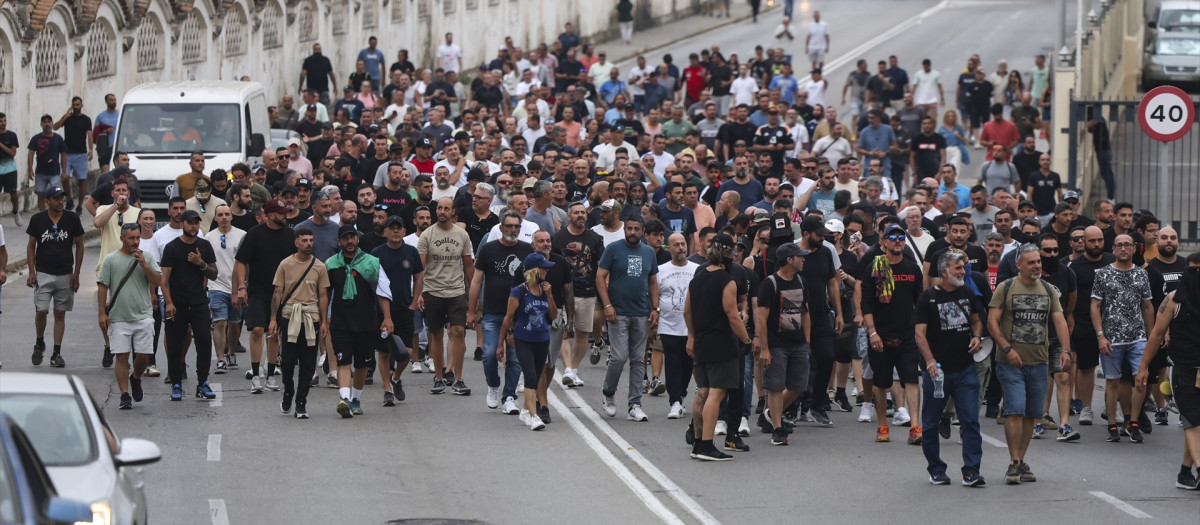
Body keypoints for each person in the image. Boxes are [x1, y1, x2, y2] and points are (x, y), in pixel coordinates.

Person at [988, 243, 1072, 484]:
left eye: (1039, 261)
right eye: (1032, 262)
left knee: (1031, 414)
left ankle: (1021, 460)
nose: (1037, 265)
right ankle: (1013, 462)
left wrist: (1065, 350)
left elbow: (1060, 322)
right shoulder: (1006, 288)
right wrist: (1006, 347)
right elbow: (992, 321)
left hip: (1040, 361)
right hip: (1010, 362)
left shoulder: (1048, 290)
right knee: (1015, 408)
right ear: (1019, 265)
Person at [915, 250, 987, 486]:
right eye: (958, 268)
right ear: (945, 271)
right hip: (938, 372)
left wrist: (977, 336)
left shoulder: (967, 292)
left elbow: (977, 320)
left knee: (970, 421)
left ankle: (971, 470)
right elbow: (919, 334)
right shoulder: (927, 298)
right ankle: (936, 469)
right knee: (931, 422)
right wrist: (930, 361)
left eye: (963, 267)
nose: (963, 271)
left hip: (965, 370)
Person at [1136, 251, 1200, 490]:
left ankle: (1185, 473)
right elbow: (1156, 334)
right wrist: (1143, 367)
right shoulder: (1173, 299)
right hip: (1183, 368)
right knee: (1192, 421)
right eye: (1192, 271)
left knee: (1197, 422)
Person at [684, 233, 750, 460]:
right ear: (730, 252)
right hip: (722, 343)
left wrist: (692, 336)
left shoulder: (698, 277)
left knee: (702, 391)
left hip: (701, 342)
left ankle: (697, 441)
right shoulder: (727, 280)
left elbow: (687, 311)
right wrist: (746, 340)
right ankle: (706, 445)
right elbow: (733, 316)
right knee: (716, 393)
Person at [861, 224, 925, 444]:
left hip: (907, 335)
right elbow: (866, 304)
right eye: (893, 237)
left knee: (911, 380)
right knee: (881, 383)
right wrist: (872, 333)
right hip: (880, 335)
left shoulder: (912, 268)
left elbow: (920, 303)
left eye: (901, 237)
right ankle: (882, 426)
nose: (898, 240)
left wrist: (920, 331)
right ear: (884, 242)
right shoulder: (874, 267)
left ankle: (915, 426)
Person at [1091, 234, 1155, 443]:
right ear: (1114, 248)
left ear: (1135, 248)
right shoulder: (1103, 273)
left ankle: (1133, 422)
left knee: (1141, 378)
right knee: (1112, 381)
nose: (1124, 249)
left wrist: (1151, 334)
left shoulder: (1141, 274)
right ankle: (1111, 424)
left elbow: (1147, 306)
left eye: (1128, 245)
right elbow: (1095, 306)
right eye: (1120, 245)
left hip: (1138, 337)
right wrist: (1100, 336)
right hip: (1112, 338)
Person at [596, 216, 660, 422]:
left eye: (636, 229)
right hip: (618, 312)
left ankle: (635, 404)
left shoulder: (649, 252)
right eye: (629, 228)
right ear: (625, 230)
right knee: (619, 356)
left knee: (639, 359)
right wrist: (607, 305)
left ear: (643, 232)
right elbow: (600, 276)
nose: (632, 232)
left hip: (641, 312)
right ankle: (608, 393)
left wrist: (655, 308)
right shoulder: (614, 249)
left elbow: (652, 282)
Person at [326, 224, 394, 417]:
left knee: (362, 364)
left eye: (352, 237)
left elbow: (383, 291)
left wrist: (387, 318)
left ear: (357, 239)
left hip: (366, 321)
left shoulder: (371, 262)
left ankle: (356, 398)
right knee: (343, 362)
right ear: (339, 242)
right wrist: (324, 319)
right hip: (340, 321)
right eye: (345, 238)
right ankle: (344, 399)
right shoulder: (331, 264)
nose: (349, 241)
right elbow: (324, 294)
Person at [470, 211, 534, 413]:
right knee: (489, 355)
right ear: (501, 227)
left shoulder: (527, 250)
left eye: (517, 226)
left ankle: (509, 397)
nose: (513, 230)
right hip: (493, 313)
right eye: (509, 226)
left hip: (519, 316)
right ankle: (493, 385)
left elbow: (533, 281)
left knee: (515, 358)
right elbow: (476, 281)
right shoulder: (489, 249)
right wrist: (471, 310)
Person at [234, 199, 297, 393]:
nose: (285, 215)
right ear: (270, 215)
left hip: (282, 293)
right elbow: (241, 261)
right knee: (257, 331)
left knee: (274, 333)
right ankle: (255, 375)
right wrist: (241, 287)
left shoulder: (290, 235)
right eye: (280, 212)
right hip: (258, 291)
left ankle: (270, 375)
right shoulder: (255, 234)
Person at [98, 223, 163, 410]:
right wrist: (102, 312)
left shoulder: (147, 257)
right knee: (121, 356)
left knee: (143, 356)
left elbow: (158, 281)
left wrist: (144, 264)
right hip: (119, 317)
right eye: (131, 238)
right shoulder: (111, 260)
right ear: (122, 238)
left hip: (143, 315)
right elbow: (103, 286)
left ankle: (135, 378)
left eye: (137, 238)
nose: (135, 242)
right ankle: (124, 395)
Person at [268, 228, 330, 419]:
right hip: (289, 317)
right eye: (304, 240)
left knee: (308, 362)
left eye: (311, 240)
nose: (308, 244)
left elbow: (323, 295)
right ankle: (288, 391)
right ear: (296, 243)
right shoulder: (285, 264)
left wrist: (324, 321)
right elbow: (278, 293)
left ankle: (301, 402)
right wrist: (273, 319)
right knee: (287, 361)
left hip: (311, 317)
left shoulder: (319, 266)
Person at [755, 242, 812, 446]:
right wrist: (765, 348)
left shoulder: (801, 281)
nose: (803, 259)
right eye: (800, 256)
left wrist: (807, 341)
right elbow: (761, 318)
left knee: (798, 386)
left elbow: (805, 313)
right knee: (776, 386)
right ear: (789, 260)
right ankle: (778, 429)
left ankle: (770, 414)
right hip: (777, 344)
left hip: (798, 343)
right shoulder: (770, 284)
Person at [418, 197, 475, 394]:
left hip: (456, 291)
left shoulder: (462, 235)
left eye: (446, 208)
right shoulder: (427, 235)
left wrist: (473, 297)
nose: (442, 211)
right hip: (433, 290)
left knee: (458, 332)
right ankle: (439, 377)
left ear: (453, 212)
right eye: (439, 208)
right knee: (436, 334)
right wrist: (419, 294)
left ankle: (458, 378)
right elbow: (421, 268)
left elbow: (468, 266)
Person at [160, 210, 219, 402]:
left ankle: (203, 382)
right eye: (190, 223)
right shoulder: (171, 248)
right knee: (175, 343)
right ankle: (176, 383)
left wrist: (200, 262)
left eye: (196, 223)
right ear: (182, 224)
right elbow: (164, 279)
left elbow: (213, 274)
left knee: (203, 341)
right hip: (177, 303)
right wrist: (168, 302)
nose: (194, 226)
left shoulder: (204, 245)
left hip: (199, 302)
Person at [497, 252, 559, 431]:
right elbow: (508, 318)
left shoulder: (545, 289)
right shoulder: (519, 291)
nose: (547, 271)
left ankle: (525, 410)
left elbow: (553, 316)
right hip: (523, 339)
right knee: (530, 376)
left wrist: (550, 295)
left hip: (542, 340)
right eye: (544, 268)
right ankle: (533, 416)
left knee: (537, 375)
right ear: (534, 270)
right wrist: (501, 343)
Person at [25, 185, 84, 368]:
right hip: (43, 272)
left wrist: (77, 273)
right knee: (41, 310)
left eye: (62, 198)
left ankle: (56, 353)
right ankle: (40, 341)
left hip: (65, 273)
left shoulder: (72, 218)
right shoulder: (37, 219)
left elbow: (80, 245)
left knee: (60, 313)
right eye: (57, 199)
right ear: (47, 201)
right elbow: (30, 246)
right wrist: (32, 272)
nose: (60, 202)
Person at [554, 201, 606, 387]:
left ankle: (573, 369)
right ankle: (567, 369)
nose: (580, 215)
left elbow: (601, 266)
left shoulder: (595, 238)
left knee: (583, 334)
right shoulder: (558, 237)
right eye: (576, 212)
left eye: (583, 212)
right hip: (563, 293)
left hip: (587, 292)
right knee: (563, 333)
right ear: (569, 216)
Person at [658, 233, 700, 419]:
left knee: (687, 363)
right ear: (669, 248)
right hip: (668, 325)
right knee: (673, 363)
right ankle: (675, 400)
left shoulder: (697, 269)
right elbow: (655, 295)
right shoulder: (661, 270)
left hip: (691, 327)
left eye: (683, 244)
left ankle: (681, 394)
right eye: (676, 245)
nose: (681, 248)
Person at [208, 205, 246, 374]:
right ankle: (220, 359)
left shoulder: (242, 235)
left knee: (234, 323)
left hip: (236, 286)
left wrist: (242, 286)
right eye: (220, 215)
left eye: (226, 214)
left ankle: (231, 352)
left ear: (231, 217)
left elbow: (245, 263)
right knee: (220, 321)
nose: (224, 217)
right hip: (216, 285)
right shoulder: (209, 238)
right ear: (215, 218)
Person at [53, 97, 93, 214]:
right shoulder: (67, 118)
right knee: (64, 177)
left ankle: (80, 205)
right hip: (67, 154)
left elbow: (89, 135)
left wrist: (91, 150)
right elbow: (55, 127)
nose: (75, 107)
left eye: (77, 105)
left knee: (82, 181)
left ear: (81, 105)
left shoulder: (86, 120)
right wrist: (65, 116)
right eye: (73, 105)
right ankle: (69, 199)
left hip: (81, 154)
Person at [26, 114, 67, 211]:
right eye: (45, 122)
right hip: (40, 172)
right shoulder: (36, 139)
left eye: (49, 122)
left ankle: (56, 213)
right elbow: (30, 154)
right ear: (41, 124)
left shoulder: (58, 139)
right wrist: (30, 169)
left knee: (56, 196)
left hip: (55, 172)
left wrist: (64, 171)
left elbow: (64, 154)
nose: (47, 124)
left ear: (52, 124)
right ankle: (43, 215)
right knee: (41, 195)